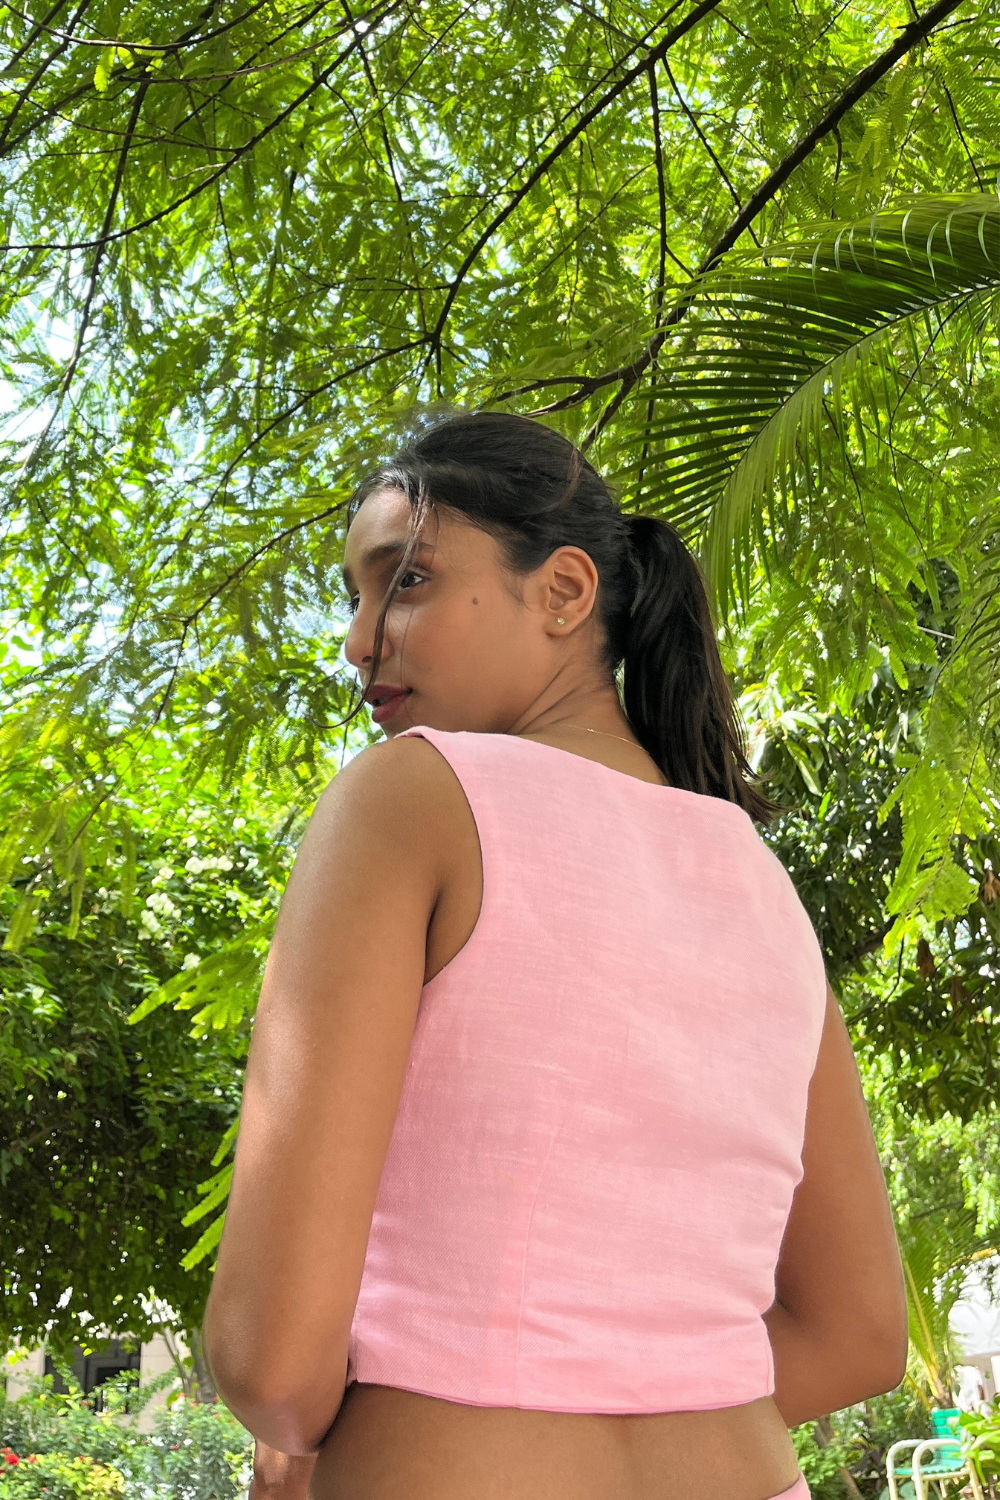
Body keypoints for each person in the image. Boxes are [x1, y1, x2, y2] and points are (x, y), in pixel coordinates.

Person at [202, 412, 908, 1500]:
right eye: (352, 594)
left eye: (407, 580)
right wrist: (637, 1377)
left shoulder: (409, 798)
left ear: (565, 592)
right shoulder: (759, 880)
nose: (357, 637)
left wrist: (301, 1431)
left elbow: (274, 1362)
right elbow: (859, 1334)